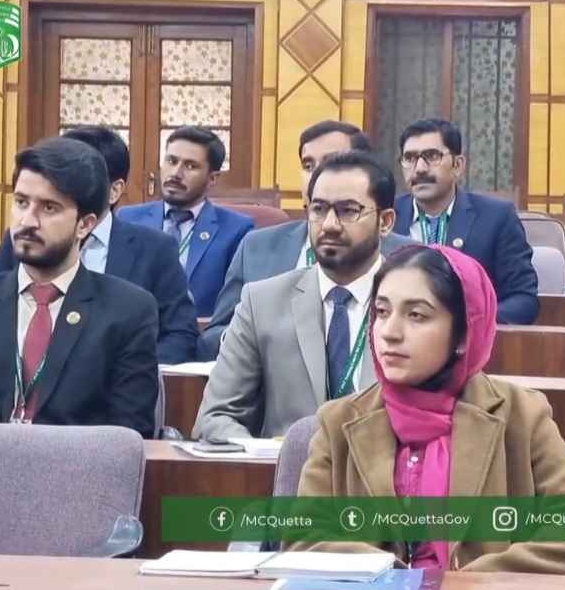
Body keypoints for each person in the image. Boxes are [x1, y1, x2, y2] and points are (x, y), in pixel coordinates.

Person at [289, 245, 565, 574]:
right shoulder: (339, 421)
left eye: (416, 315)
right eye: (382, 312)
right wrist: (398, 579)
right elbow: (303, 540)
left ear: (463, 333)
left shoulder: (521, 415)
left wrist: (468, 582)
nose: (389, 332)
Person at [194, 151, 408, 439]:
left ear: (385, 222)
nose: (329, 224)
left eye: (348, 210)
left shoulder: (418, 307)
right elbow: (215, 417)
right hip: (288, 464)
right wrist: (270, 454)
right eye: (319, 209)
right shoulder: (262, 303)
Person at [0, 137, 159, 438]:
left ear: (84, 225)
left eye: (49, 208)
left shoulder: (128, 312)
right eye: (21, 202)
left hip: (80, 467)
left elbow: (127, 436)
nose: (28, 221)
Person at [197, 121, 414, 359]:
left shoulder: (409, 257)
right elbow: (211, 339)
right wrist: (251, 338)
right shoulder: (256, 248)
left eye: (333, 162)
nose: (318, 176)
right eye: (308, 165)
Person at [0, 126, 198, 365]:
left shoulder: (155, 249)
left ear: (114, 190)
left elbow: (180, 335)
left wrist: (128, 371)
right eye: (22, 202)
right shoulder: (24, 240)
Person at [391, 118, 539, 325]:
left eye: (432, 156)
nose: (420, 168)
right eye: (409, 158)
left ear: (458, 165)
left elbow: (523, 298)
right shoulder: (387, 216)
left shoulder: (497, 218)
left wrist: (469, 327)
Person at [116, 126, 255, 317]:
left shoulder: (237, 230)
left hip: (199, 332)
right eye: (171, 161)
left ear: (212, 179)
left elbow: (234, 306)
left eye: (191, 166)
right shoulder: (128, 218)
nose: (176, 173)